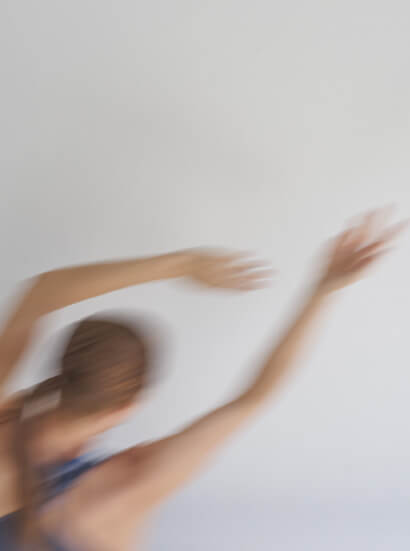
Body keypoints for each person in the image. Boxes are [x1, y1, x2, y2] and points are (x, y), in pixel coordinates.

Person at [0, 209, 404, 550]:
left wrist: (181, 264)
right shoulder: (128, 483)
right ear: (130, 406)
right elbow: (254, 397)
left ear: (61, 368)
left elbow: (39, 293)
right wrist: (324, 287)